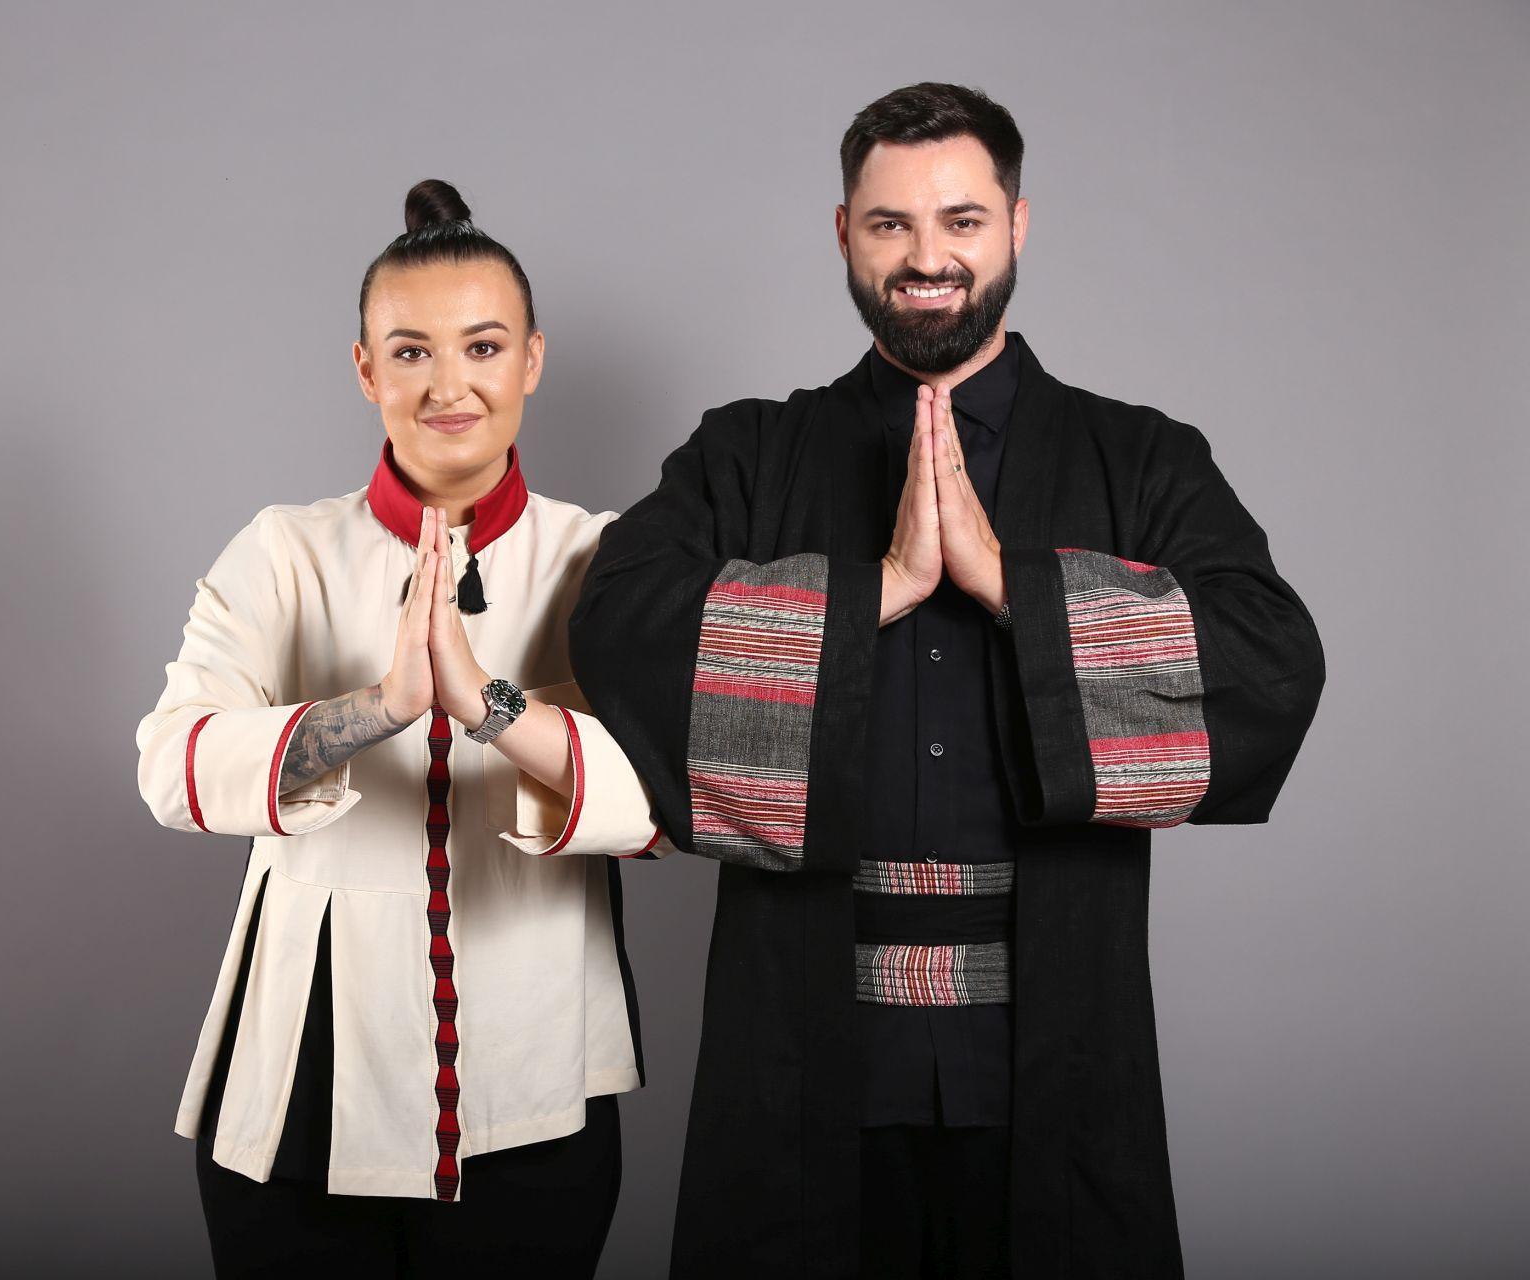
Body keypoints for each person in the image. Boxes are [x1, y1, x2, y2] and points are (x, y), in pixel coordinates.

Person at [567, 83, 1326, 1279]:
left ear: (1017, 224)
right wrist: (875, 590)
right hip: (799, 1047)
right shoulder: (745, 453)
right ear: (844, 233)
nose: (928, 257)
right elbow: (618, 629)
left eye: (962, 220)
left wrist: (1012, 585)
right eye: (891, 224)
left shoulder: (1143, 456)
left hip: (1060, 1048)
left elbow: (1273, 658)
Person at [135, 179, 667, 1279]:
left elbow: (671, 795)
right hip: (297, 1086)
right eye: (411, 351)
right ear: (366, 368)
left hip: (536, 1084)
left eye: (484, 347)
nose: (448, 385)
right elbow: (172, 765)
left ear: (532, 360)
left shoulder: (603, 557)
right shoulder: (281, 550)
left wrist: (488, 706)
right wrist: (374, 709)